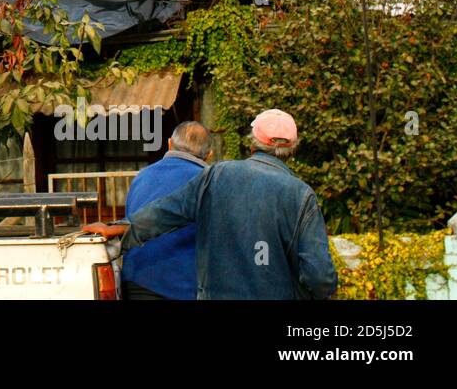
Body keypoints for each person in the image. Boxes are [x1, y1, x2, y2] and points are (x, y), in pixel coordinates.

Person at [85, 108, 338, 300]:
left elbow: (166, 212)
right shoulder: (302, 196)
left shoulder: (217, 175)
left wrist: (117, 228)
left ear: (252, 143)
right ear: (292, 149)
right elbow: (320, 278)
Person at [118, 121, 213, 300]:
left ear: (169, 143)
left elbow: (132, 221)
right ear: (209, 154)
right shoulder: (207, 181)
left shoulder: (142, 176)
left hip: (136, 279)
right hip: (183, 285)